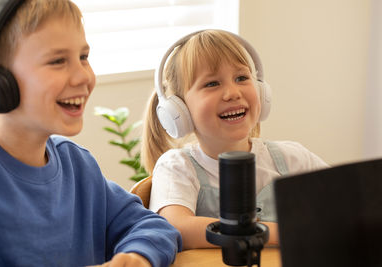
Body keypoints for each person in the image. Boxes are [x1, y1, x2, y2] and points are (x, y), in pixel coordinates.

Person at [0, 0, 181, 266]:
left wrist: (136, 257)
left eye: (83, 57)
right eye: (57, 61)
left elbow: (152, 226)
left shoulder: (77, 165)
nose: (83, 77)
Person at [141, 29, 329, 250]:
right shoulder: (178, 167)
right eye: (212, 84)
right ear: (178, 110)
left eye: (241, 78)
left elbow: (349, 201)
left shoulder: (293, 158)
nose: (232, 92)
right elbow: (177, 227)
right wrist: (282, 232)